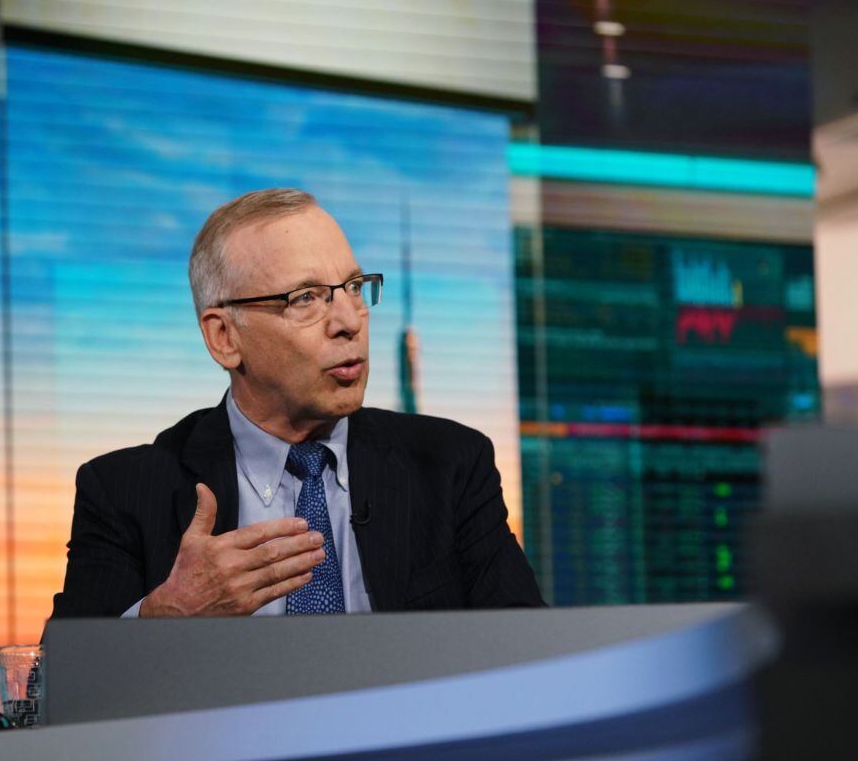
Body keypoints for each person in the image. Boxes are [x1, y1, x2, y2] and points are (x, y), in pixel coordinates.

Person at [50, 188, 545, 618]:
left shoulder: (450, 466)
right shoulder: (125, 492)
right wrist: (165, 618)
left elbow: (530, 656)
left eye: (354, 288)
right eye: (307, 298)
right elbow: (54, 692)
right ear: (224, 337)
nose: (349, 320)